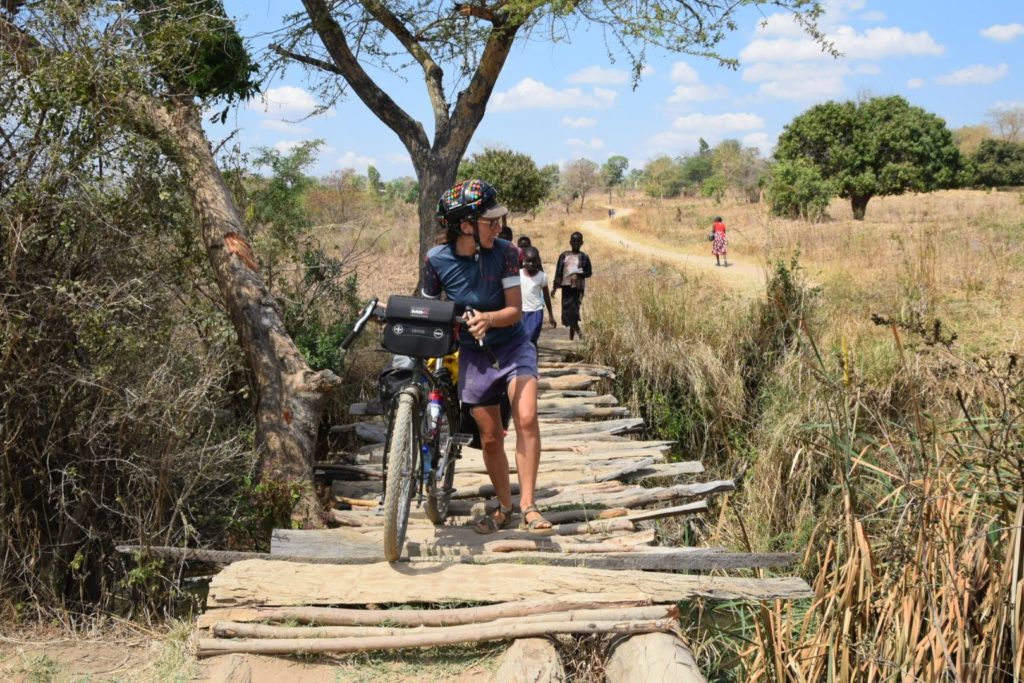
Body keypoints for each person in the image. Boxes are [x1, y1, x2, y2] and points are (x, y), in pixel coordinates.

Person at [422, 179, 552, 534]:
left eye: (499, 220)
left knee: (526, 417)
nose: (499, 226)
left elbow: (514, 310)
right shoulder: (436, 261)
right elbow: (430, 306)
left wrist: (487, 319)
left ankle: (528, 505)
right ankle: (505, 507)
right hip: (473, 356)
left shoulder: (508, 252)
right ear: (466, 226)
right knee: (491, 436)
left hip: (513, 346)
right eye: (490, 221)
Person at [553, 231, 593, 341]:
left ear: (582, 242)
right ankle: (578, 335)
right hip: (566, 287)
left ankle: (576, 336)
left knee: (574, 312)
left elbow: (589, 272)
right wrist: (554, 287)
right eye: (574, 240)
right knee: (566, 312)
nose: (575, 243)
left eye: (578, 241)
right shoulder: (564, 255)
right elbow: (558, 271)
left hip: (578, 288)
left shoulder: (584, 257)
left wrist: (580, 273)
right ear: (570, 242)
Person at [520, 246, 556, 346]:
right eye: (528, 261)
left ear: (538, 261)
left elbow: (546, 296)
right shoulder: (518, 275)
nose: (531, 264)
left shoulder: (542, 276)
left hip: (536, 312)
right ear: (524, 260)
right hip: (521, 312)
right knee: (522, 340)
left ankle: (533, 361)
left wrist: (551, 315)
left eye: (534, 261)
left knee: (531, 339)